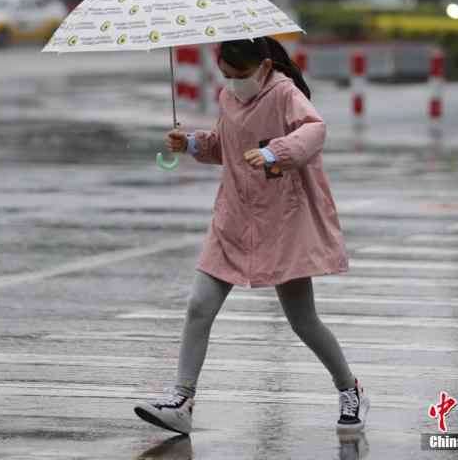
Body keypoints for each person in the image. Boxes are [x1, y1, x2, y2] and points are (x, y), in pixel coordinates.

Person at [133, 36, 369, 436]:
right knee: (198, 306)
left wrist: (276, 152)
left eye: (239, 74)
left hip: (283, 221)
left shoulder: (284, 92)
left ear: (262, 66)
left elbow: (315, 130)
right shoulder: (229, 98)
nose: (232, 82)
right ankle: (182, 400)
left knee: (303, 320)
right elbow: (224, 147)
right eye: (225, 75)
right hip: (233, 217)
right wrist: (190, 143)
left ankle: (350, 389)